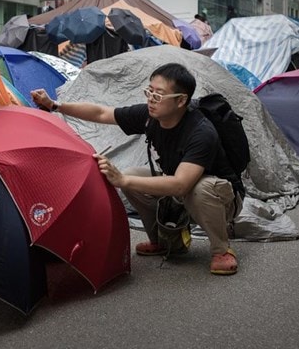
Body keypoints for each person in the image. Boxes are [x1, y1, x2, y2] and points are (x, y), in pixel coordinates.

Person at [31, 63, 243, 275]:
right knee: (133, 177)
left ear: (181, 100)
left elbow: (181, 184)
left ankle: (221, 250)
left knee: (197, 188)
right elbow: (102, 113)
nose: (151, 99)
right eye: (149, 91)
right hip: (180, 185)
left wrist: (122, 180)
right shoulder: (150, 116)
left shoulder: (201, 132)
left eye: (159, 95)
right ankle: (161, 241)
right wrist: (55, 105)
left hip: (221, 196)